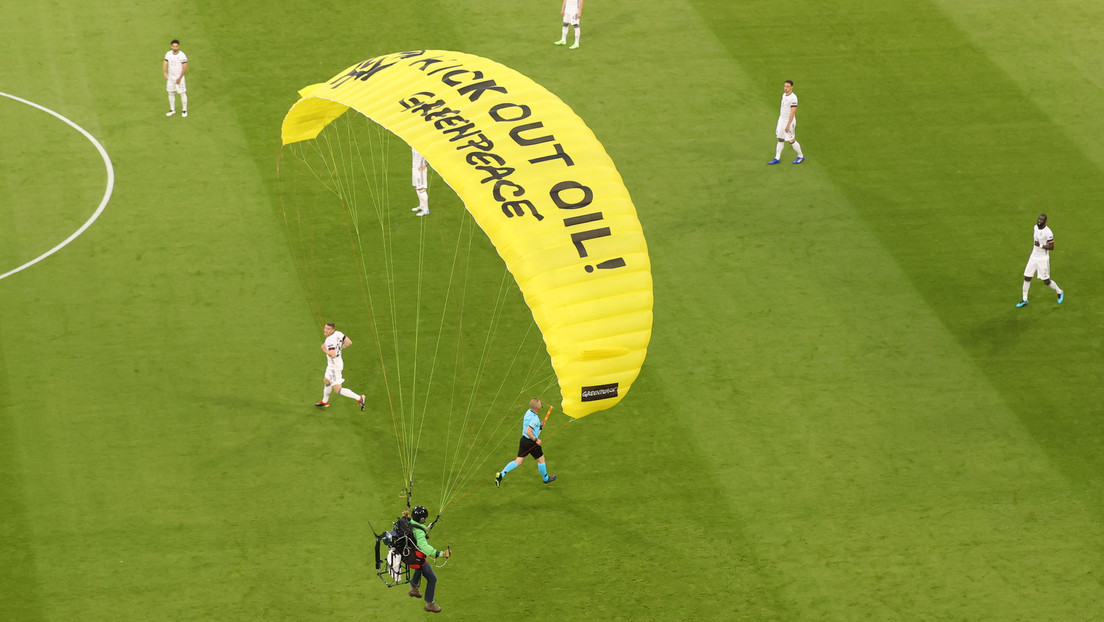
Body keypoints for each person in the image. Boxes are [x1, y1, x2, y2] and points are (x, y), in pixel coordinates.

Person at [495, 398, 557, 486]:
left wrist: (539, 425)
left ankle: (501, 474)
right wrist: (536, 440)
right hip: (531, 442)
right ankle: (546, 479)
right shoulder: (535, 419)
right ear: (538, 407)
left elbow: (529, 426)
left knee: (518, 461)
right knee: (541, 459)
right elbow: (529, 431)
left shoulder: (528, 412)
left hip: (523, 441)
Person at [406, 506, 451, 613]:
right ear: (422, 519)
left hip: (408, 556)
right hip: (416, 558)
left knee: (420, 567)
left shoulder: (409, 522)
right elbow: (423, 546)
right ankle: (429, 604)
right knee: (432, 578)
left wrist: (425, 528)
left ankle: (414, 589)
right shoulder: (419, 532)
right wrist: (440, 553)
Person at [1017, 213, 1064, 308]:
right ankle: (1024, 299)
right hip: (1033, 256)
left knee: (1046, 281)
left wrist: (1041, 245)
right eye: (1038, 219)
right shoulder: (1035, 227)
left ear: (1045, 221)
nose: (1039, 221)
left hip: (1043, 259)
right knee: (1027, 277)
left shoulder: (1048, 233)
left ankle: (1059, 291)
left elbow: (1052, 247)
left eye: (1041, 220)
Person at [315, 322, 366, 409]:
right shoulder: (338, 333)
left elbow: (332, 354)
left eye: (328, 329)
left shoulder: (329, 340)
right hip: (336, 363)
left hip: (334, 366)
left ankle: (359, 398)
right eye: (325, 328)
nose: (326, 330)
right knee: (326, 381)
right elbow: (349, 342)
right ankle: (325, 401)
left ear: (332, 330)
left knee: (337, 389)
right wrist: (341, 348)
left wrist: (324, 349)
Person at [768, 80, 805, 165]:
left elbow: (793, 112)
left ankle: (800, 156)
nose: (785, 88)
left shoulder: (793, 98)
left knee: (791, 140)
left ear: (792, 87)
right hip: (781, 120)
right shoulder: (784, 95)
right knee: (780, 138)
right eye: (785, 86)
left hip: (789, 121)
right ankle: (777, 158)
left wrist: (788, 124)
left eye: (788, 86)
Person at [163, 39, 189, 118]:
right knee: (170, 93)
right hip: (171, 78)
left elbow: (185, 67)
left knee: (182, 93)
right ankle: (172, 110)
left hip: (179, 78)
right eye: (173, 46)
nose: (175, 47)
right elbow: (165, 63)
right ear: (171, 46)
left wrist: (180, 78)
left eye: (176, 46)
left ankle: (184, 110)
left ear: (179, 46)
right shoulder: (168, 54)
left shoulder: (182, 55)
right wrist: (164, 72)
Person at [410, 149, 430, 216]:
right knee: (417, 187)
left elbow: (432, 155)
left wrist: (425, 165)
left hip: (420, 170)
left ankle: (426, 209)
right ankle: (421, 206)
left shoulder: (423, 145)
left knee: (421, 188)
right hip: (414, 169)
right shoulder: (413, 144)